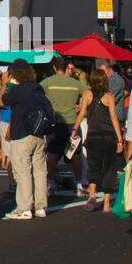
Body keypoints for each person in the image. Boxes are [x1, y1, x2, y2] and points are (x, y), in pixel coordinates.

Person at [0, 63, 53, 221]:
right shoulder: (38, 88)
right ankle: (41, 206)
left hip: (21, 134)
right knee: (40, 171)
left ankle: (24, 207)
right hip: (39, 133)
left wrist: (5, 83)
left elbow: (2, 102)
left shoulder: (18, 90)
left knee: (22, 171)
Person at [76, 70, 125, 213]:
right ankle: (106, 203)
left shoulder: (87, 94)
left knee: (93, 166)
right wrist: (119, 139)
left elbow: (83, 112)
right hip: (109, 135)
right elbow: (114, 117)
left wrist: (75, 128)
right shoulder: (109, 96)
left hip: (93, 135)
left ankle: (92, 196)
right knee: (109, 169)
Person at [41, 57, 85, 191]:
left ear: (54, 68)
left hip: (55, 122)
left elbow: (37, 92)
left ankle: (51, 182)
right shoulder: (74, 83)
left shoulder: (48, 82)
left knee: (52, 154)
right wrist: (81, 105)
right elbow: (89, 92)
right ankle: (78, 183)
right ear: (66, 68)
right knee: (76, 154)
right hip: (72, 122)